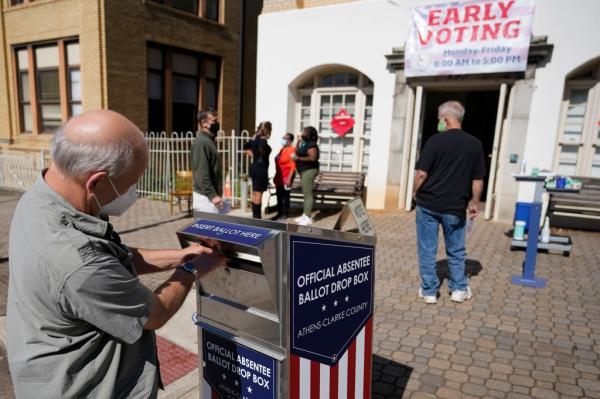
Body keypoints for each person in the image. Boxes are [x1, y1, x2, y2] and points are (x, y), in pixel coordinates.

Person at [7, 110, 226, 398]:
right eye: (129, 183)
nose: (132, 192)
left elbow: (113, 259)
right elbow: (153, 314)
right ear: (96, 182)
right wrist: (192, 270)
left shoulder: (41, 197)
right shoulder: (76, 259)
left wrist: (182, 255)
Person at [412, 101, 485, 304]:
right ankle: (459, 290)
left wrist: (414, 193)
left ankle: (428, 291)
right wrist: (474, 202)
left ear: (446, 119)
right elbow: (477, 180)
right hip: (455, 206)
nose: (438, 122)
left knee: (427, 249)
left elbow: (421, 173)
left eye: (438, 119)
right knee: (456, 250)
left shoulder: (434, 142)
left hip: (428, 204)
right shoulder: (475, 144)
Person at [191, 108, 223, 213]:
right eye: (214, 121)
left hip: (209, 199)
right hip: (206, 200)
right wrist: (213, 196)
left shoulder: (208, 141)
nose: (217, 124)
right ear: (204, 123)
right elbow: (201, 173)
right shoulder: (201, 143)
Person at [291, 126, 320, 226]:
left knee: (308, 193)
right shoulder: (303, 142)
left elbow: (313, 158)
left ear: (310, 134)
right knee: (305, 193)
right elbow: (296, 152)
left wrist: (298, 158)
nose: (302, 132)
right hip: (303, 171)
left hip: (310, 170)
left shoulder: (312, 144)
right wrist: (298, 141)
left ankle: (308, 218)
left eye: (304, 131)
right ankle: (305, 214)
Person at [244, 121, 272, 219]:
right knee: (258, 194)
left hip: (254, 167)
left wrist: (254, 155)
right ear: (267, 130)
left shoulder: (255, 138)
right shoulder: (263, 140)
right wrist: (261, 149)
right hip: (261, 169)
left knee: (254, 192)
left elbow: (246, 147)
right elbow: (262, 151)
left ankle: (254, 216)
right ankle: (257, 218)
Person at [273, 133, 296, 220]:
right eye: (283, 137)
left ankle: (285, 213)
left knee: (285, 196)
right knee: (279, 196)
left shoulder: (292, 150)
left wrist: (289, 179)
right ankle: (279, 213)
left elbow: (293, 166)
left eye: (285, 138)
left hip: (286, 177)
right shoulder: (282, 149)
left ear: (289, 140)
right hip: (279, 177)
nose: (282, 139)